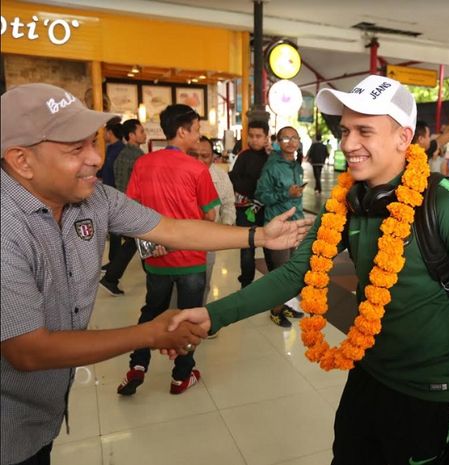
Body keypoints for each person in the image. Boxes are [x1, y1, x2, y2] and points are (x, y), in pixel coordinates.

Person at [169, 75, 449, 464]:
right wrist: (213, 315)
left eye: (364, 131)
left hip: (428, 388)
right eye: (345, 130)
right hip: (368, 373)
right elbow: (295, 275)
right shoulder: (348, 202)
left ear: (403, 137)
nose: (347, 144)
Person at [0, 83, 311, 465]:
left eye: (92, 143)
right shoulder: (7, 227)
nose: (96, 158)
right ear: (21, 160)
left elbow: (173, 228)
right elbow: (28, 351)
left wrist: (258, 235)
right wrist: (152, 332)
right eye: (74, 149)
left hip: (42, 414)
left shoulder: (93, 198)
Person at [115, 104, 220, 396]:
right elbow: (210, 216)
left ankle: (138, 364)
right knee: (190, 318)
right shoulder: (197, 169)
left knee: (152, 311)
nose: (199, 137)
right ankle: (181, 376)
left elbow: (131, 209)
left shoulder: (143, 164)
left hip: (157, 258)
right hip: (190, 256)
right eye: (197, 131)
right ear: (182, 131)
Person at [255, 126, 306, 327]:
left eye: (295, 138)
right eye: (286, 138)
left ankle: (283, 304)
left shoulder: (296, 165)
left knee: (292, 269)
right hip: (278, 226)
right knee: (280, 272)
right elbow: (261, 195)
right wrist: (287, 194)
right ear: (278, 141)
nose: (291, 142)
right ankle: (275, 310)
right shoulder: (272, 166)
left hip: (296, 224)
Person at [100, 118, 148, 295]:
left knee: (134, 243)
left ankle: (111, 278)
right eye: (141, 131)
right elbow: (142, 185)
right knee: (141, 240)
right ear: (131, 135)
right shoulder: (137, 156)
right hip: (135, 206)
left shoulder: (123, 154)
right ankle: (111, 278)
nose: (145, 134)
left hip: (125, 204)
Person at [189, 136, 236, 305]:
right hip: (180, 238)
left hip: (208, 240)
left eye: (205, 156)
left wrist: (227, 225)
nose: (200, 160)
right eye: (194, 155)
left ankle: (197, 320)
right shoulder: (179, 174)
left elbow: (229, 205)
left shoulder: (221, 177)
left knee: (203, 283)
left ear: (213, 157)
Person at [229, 120, 270, 289]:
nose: (254, 140)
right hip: (245, 210)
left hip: (267, 210)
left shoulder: (272, 158)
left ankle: (273, 288)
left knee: (271, 250)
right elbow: (233, 178)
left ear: (266, 137)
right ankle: (246, 285)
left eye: (258, 136)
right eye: (251, 136)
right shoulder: (243, 156)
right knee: (247, 249)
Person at [99, 117, 125, 269]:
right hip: (107, 193)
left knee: (116, 231)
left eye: (104, 132)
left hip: (116, 195)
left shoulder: (120, 150)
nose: (103, 135)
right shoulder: (110, 149)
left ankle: (114, 265)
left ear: (110, 132)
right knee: (113, 230)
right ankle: (113, 263)